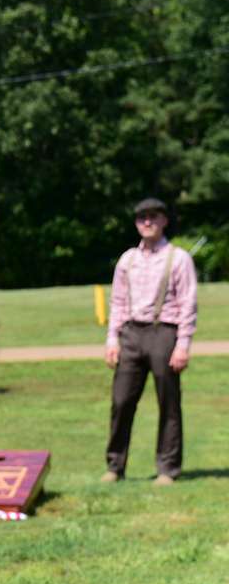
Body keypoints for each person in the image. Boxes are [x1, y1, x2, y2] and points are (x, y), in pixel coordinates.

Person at [103, 197, 197, 486]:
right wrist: (112, 339)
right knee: (121, 401)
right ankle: (115, 466)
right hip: (131, 333)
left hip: (164, 333)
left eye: (153, 217)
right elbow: (118, 302)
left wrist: (182, 345)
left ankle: (167, 468)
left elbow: (188, 304)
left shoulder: (178, 258)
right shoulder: (127, 259)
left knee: (168, 402)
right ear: (136, 222)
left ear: (164, 221)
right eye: (142, 217)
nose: (147, 222)